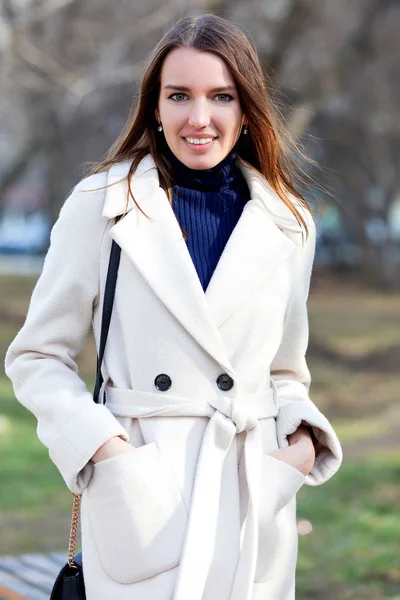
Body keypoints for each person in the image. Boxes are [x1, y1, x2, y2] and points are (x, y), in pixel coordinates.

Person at [4, 13, 343, 600]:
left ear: (246, 110)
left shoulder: (289, 223)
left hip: (250, 498)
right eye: (179, 95)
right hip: (139, 500)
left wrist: (297, 450)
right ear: (155, 108)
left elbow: (285, 372)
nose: (199, 117)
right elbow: (36, 355)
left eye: (221, 96)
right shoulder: (103, 206)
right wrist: (105, 451)